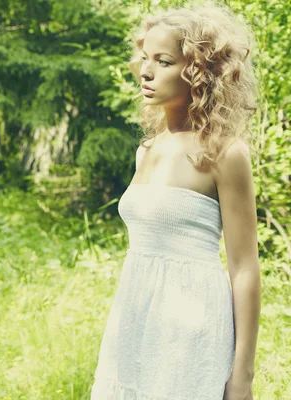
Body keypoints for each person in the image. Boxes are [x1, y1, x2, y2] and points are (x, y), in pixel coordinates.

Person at [90, 2, 261, 399]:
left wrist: (242, 376)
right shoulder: (147, 149)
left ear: (199, 71)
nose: (145, 72)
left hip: (192, 329)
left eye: (163, 61)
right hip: (133, 322)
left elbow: (245, 268)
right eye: (145, 58)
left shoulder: (223, 152)